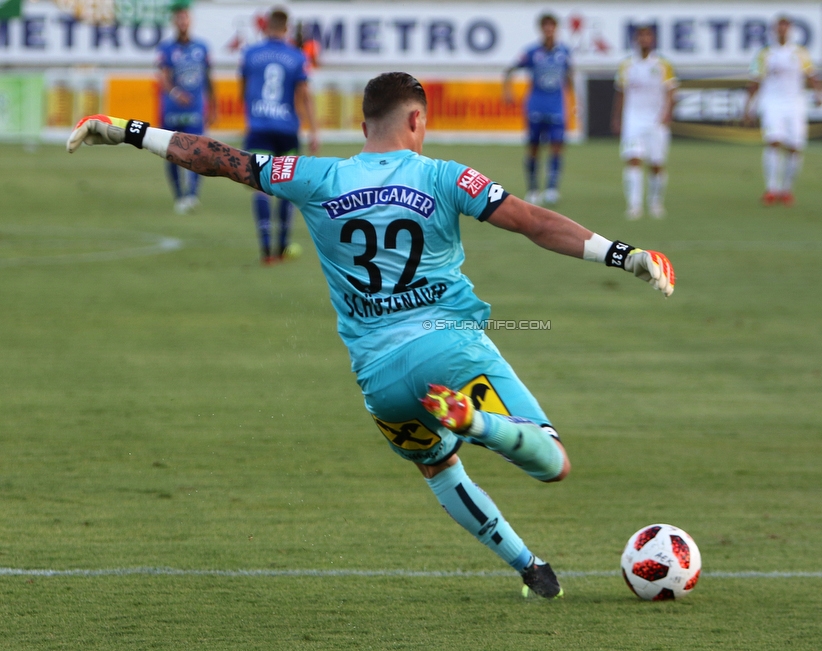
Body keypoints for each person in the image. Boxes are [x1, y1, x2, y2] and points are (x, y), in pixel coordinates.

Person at [66, 72, 675, 599]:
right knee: (552, 462)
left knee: (440, 471)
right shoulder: (444, 176)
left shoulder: (317, 177)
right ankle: (482, 425)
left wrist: (124, 129)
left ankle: (529, 566)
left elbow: (216, 158)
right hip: (449, 353)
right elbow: (534, 223)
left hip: (380, 382)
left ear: (363, 127)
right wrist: (625, 255)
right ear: (416, 120)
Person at [240, 7, 318, 264]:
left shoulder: (250, 54)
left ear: (266, 27)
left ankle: (265, 250)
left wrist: (251, 116)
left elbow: (244, 88)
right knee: (286, 187)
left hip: (259, 127)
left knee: (260, 185)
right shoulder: (296, 56)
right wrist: (314, 130)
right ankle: (283, 246)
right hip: (287, 129)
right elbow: (303, 94)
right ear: (286, 29)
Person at [745, 15, 822, 206]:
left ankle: (787, 189)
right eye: (779, 27)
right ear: (774, 30)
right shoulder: (764, 54)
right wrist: (748, 106)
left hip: (795, 103)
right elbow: (755, 81)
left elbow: (812, 75)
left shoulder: (800, 53)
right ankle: (772, 189)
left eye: (785, 27)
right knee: (773, 141)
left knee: (795, 147)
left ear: (789, 30)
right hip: (772, 102)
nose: (782, 31)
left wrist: (819, 94)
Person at [503, 14, 574, 206]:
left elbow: (569, 75)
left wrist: (573, 100)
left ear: (556, 28)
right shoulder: (532, 52)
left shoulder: (564, 52)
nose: (549, 30)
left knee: (557, 147)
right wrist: (507, 92)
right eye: (546, 27)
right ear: (541, 29)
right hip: (536, 105)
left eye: (552, 26)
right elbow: (510, 70)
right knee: (534, 148)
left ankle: (551, 188)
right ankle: (533, 188)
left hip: (557, 107)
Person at [611, 25, 677, 220]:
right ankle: (634, 205)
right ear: (635, 40)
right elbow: (621, 92)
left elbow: (671, 92)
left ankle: (655, 202)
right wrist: (617, 117)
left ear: (653, 39)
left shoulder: (663, 64)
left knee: (656, 163)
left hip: (656, 120)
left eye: (648, 36)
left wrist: (667, 114)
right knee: (633, 159)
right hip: (633, 119)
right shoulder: (627, 65)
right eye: (641, 36)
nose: (644, 40)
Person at [155, 4, 214, 214]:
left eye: (185, 19)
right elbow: (162, 78)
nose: (182, 23)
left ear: (190, 21)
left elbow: (208, 78)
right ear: (174, 22)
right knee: (172, 152)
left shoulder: (202, 48)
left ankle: (192, 194)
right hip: (172, 110)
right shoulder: (166, 49)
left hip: (195, 110)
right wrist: (175, 94)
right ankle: (179, 195)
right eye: (179, 19)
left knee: (198, 152)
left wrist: (213, 106)